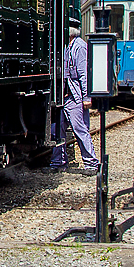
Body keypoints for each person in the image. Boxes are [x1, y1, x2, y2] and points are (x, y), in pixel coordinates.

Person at [47, 25, 100, 175]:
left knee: (80, 129)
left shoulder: (79, 47)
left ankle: (91, 164)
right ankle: (58, 162)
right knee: (57, 129)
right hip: (64, 96)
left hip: (74, 96)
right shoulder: (67, 46)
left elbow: (84, 74)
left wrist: (86, 97)